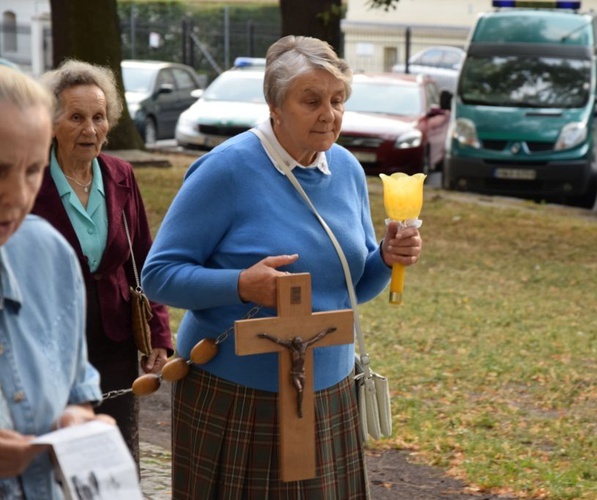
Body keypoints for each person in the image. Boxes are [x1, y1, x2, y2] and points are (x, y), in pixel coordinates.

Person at [142, 35, 422, 498]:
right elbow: (159, 275)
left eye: (337, 100)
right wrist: (242, 285)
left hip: (330, 392)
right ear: (275, 107)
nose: (328, 113)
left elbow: (350, 287)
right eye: (311, 100)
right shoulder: (226, 169)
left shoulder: (347, 169)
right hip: (237, 396)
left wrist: (385, 259)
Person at [31, 59, 173, 466]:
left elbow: (144, 261)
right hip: (49, 343)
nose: (90, 129)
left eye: (99, 117)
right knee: (55, 455)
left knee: (114, 455)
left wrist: (159, 333)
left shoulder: (120, 175)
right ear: (52, 121)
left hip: (115, 341)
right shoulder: (30, 178)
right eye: (76, 117)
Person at [0, 65, 114, 499]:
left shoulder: (48, 254)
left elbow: (74, 389)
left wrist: (76, 423)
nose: (17, 196)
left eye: (32, 170)